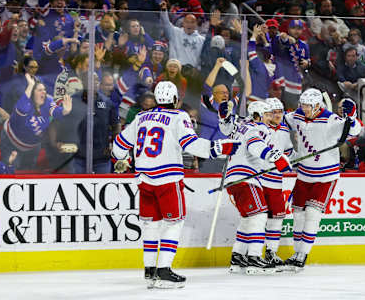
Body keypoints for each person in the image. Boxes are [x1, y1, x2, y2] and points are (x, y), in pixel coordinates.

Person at [112, 81, 240, 288]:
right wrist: (219, 148)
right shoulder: (179, 116)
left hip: (144, 180)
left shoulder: (140, 117)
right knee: (174, 223)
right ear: (174, 99)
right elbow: (191, 145)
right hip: (168, 180)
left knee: (151, 225)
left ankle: (150, 270)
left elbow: (119, 146)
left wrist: (122, 158)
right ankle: (164, 271)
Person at [283, 88, 361, 271]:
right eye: (302, 105)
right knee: (298, 214)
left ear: (317, 105)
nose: (304, 108)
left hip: (325, 176)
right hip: (303, 174)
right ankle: (296, 253)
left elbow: (354, 131)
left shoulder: (330, 120)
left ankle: (302, 255)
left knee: (313, 214)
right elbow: (282, 120)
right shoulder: (298, 115)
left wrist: (352, 117)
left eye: (307, 106)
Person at [218, 100, 292, 274]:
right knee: (259, 216)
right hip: (246, 177)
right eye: (266, 115)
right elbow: (254, 145)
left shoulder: (241, 126)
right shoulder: (258, 128)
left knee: (248, 218)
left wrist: (224, 118)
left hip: (235, 177)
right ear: (257, 115)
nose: (270, 118)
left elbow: (227, 128)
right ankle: (254, 259)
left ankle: (237, 258)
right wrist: (275, 158)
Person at [0, 74, 72, 170]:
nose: (44, 92)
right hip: (11, 143)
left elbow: (55, 112)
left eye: (44, 90)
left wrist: (64, 111)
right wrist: (30, 85)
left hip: (32, 147)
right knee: (11, 169)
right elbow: (22, 109)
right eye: (40, 90)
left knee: (29, 172)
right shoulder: (24, 104)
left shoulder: (48, 101)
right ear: (32, 93)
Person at [262, 97, 295, 269]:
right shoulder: (259, 128)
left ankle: (270, 253)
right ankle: (249, 254)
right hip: (259, 180)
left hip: (275, 181)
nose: (277, 115)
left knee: (277, 217)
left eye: (279, 112)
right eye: (273, 112)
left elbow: (288, 153)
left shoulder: (283, 129)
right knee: (258, 218)